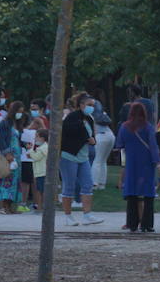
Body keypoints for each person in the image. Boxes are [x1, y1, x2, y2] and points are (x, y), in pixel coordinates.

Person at [59, 93, 101, 226]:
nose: (91, 108)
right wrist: (87, 138)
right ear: (81, 105)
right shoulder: (71, 117)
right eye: (89, 105)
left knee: (87, 184)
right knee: (69, 186)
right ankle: (68, 216)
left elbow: (91, 135)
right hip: (69, 155)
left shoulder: (89, 118)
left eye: (92, 105)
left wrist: (92, 141)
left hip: (83, 157)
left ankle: (87, 215)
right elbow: (70, 133)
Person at [116, 102, 158, 233]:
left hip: (131, 163)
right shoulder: (148, 127)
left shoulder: (124, 127)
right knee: (148, 194)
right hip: (146, 164)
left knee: (132, 194)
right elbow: (153, 145)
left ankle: (132, 223)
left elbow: (119, 144)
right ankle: (147, 224)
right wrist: (157, 161)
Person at [0, 110, 22, 213]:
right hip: (8, 155)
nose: (20, 113)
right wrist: (7, 154)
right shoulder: (4, 123)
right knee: (6, 180)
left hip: (17, 156)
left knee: (14, 182)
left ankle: (9, 206)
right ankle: (4, 206)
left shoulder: (16, 124)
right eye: (19, 111)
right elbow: (1, 140)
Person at [90, 93, 115, 190]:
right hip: (110, 135)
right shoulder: (102, 113)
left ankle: (94, 183)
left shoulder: (91, 114)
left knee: (97, 160)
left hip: (100, 136)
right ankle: (101, 183)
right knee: (103, 160)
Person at [30, 128, 49, 210]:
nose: (35, 138)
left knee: (41, 191)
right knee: (40, 191)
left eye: (37, 136)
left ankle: (42, 207)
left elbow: (36, 157)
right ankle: (41, 206)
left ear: (43, 138)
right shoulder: (42, 147)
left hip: (42, 172)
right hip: (40, 172)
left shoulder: (43, 147)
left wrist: (30, 150)